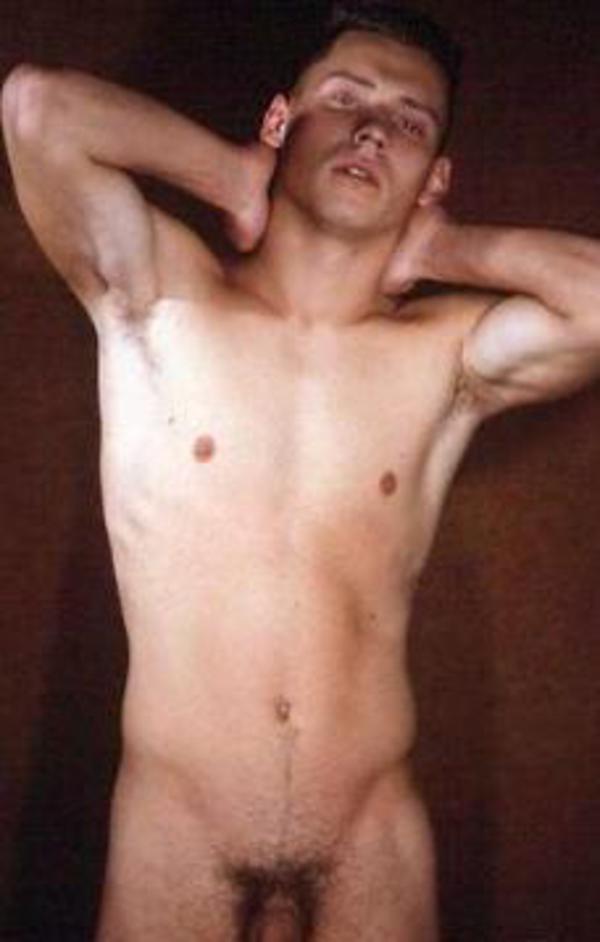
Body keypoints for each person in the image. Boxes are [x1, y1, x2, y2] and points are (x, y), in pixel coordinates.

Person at [2, 2, 600, 939]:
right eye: (347, 98)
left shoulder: (441, 356)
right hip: (175, 837)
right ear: (282, 120)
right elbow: (40, 111)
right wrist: (233, 175)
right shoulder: (158, 297)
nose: (374, 131)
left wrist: (443, 245)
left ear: (435, 176)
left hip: (369, 839)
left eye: (410, 123)